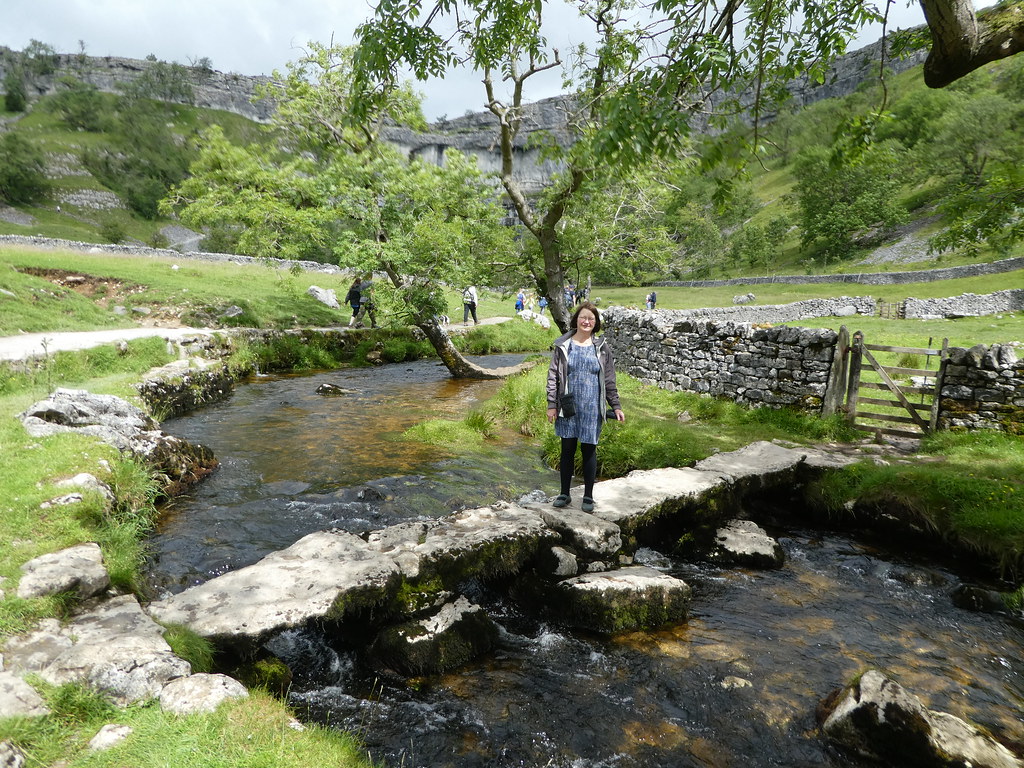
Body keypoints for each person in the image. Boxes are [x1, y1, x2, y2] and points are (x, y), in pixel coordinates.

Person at [546, 301, 625, 513]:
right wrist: (551, 405)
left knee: (589, 450)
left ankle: (588, 496)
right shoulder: (564, 346)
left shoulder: (601, 348)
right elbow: (553, 376)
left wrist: (615, 406)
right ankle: (564, 493)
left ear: (596, 323)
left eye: (591, 318)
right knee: (567, 450)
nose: (587, 321)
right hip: (568, 405)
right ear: (576, 320)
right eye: (583, 317)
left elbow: (609, 380)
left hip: (592, 407)